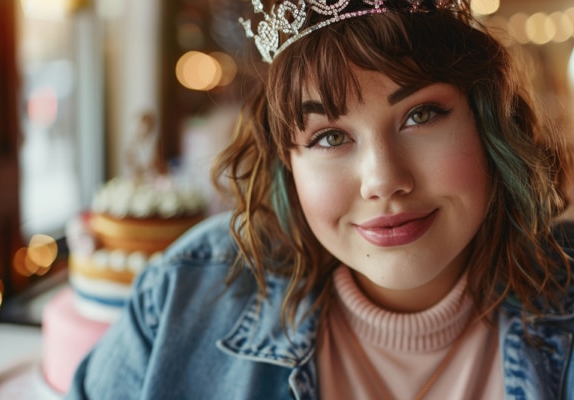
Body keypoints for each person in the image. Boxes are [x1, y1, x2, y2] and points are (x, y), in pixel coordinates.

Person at [66, 0, 574, 398]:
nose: (382, 180)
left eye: (421, 115)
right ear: (287, 162)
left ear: (488, 123)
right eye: (330, 137)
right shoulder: (184, 297)